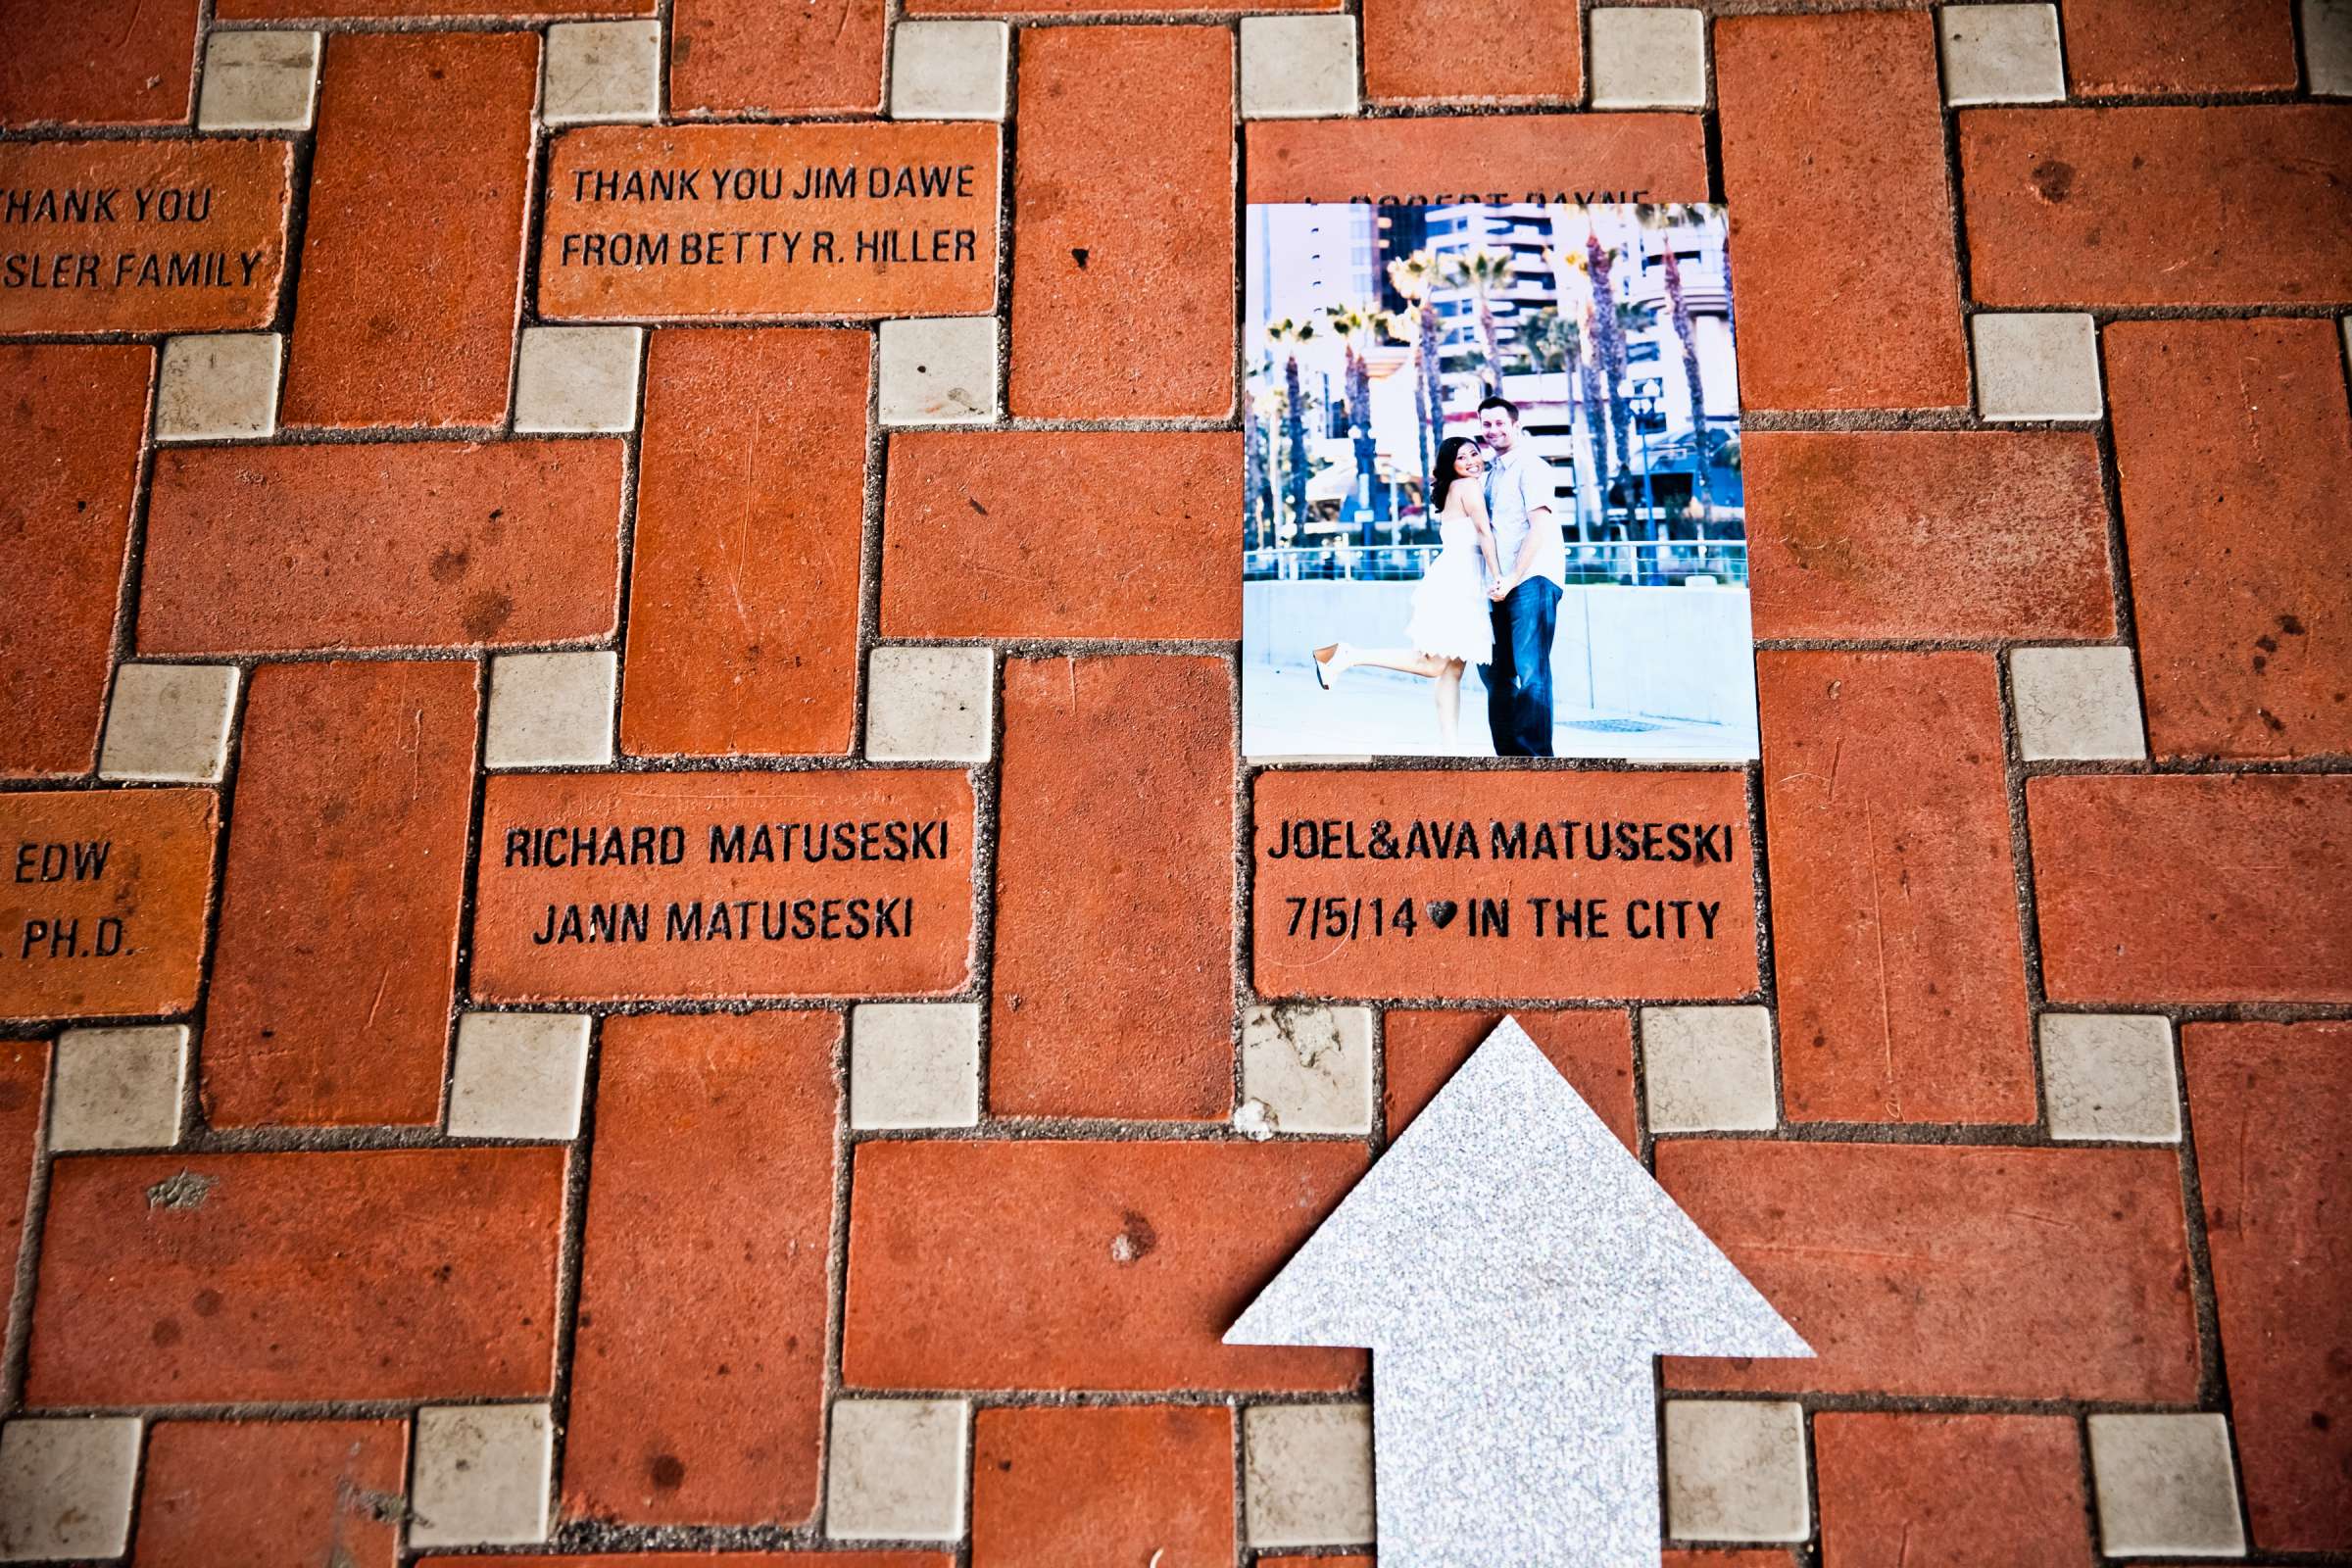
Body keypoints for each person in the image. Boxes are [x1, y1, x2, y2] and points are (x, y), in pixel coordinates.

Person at [1308, 436, 1501, 750]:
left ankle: (1452, 752)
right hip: (1459, 584)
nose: (1471, 461)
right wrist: (1498, 577)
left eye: (1474, 454)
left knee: (1453, 669)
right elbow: (1483, 533)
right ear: (1451, 465)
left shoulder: (1455, 489)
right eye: (1462, 457)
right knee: (1434, 665)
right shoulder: (1468, 487)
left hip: (1459, 581)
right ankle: (1347, 655)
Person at [1474, 395, 1565, 757]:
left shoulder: (1533, 467)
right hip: (1497, 584)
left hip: (1532, 579)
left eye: (1499, 423)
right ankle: (1508, 759)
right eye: (1486, 424)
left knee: (1531, 671)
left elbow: (1539, 525)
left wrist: (1513, 576)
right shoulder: (1489, 473)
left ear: (1515, 425)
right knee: (1495, 675)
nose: (1493, 430)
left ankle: (1537, 761)